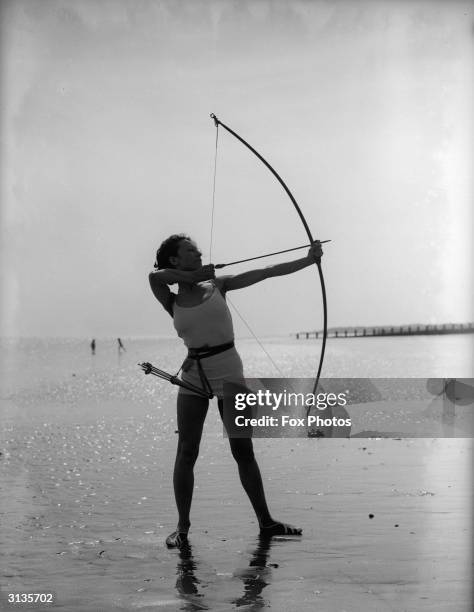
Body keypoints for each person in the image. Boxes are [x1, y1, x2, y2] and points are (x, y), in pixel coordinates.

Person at [149, 234, 323, 548]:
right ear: (174, 260)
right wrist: (191, 278)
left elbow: (268, 271)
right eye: (191, 251)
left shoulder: (219, 285)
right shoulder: (169, 297)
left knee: (243, 451)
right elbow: (155, 276)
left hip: (228, 371)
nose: (199, 253)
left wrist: (308, 260)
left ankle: (266, 522)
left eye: (198, 251)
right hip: (193, 376)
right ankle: (183, 528)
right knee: (187, 452)